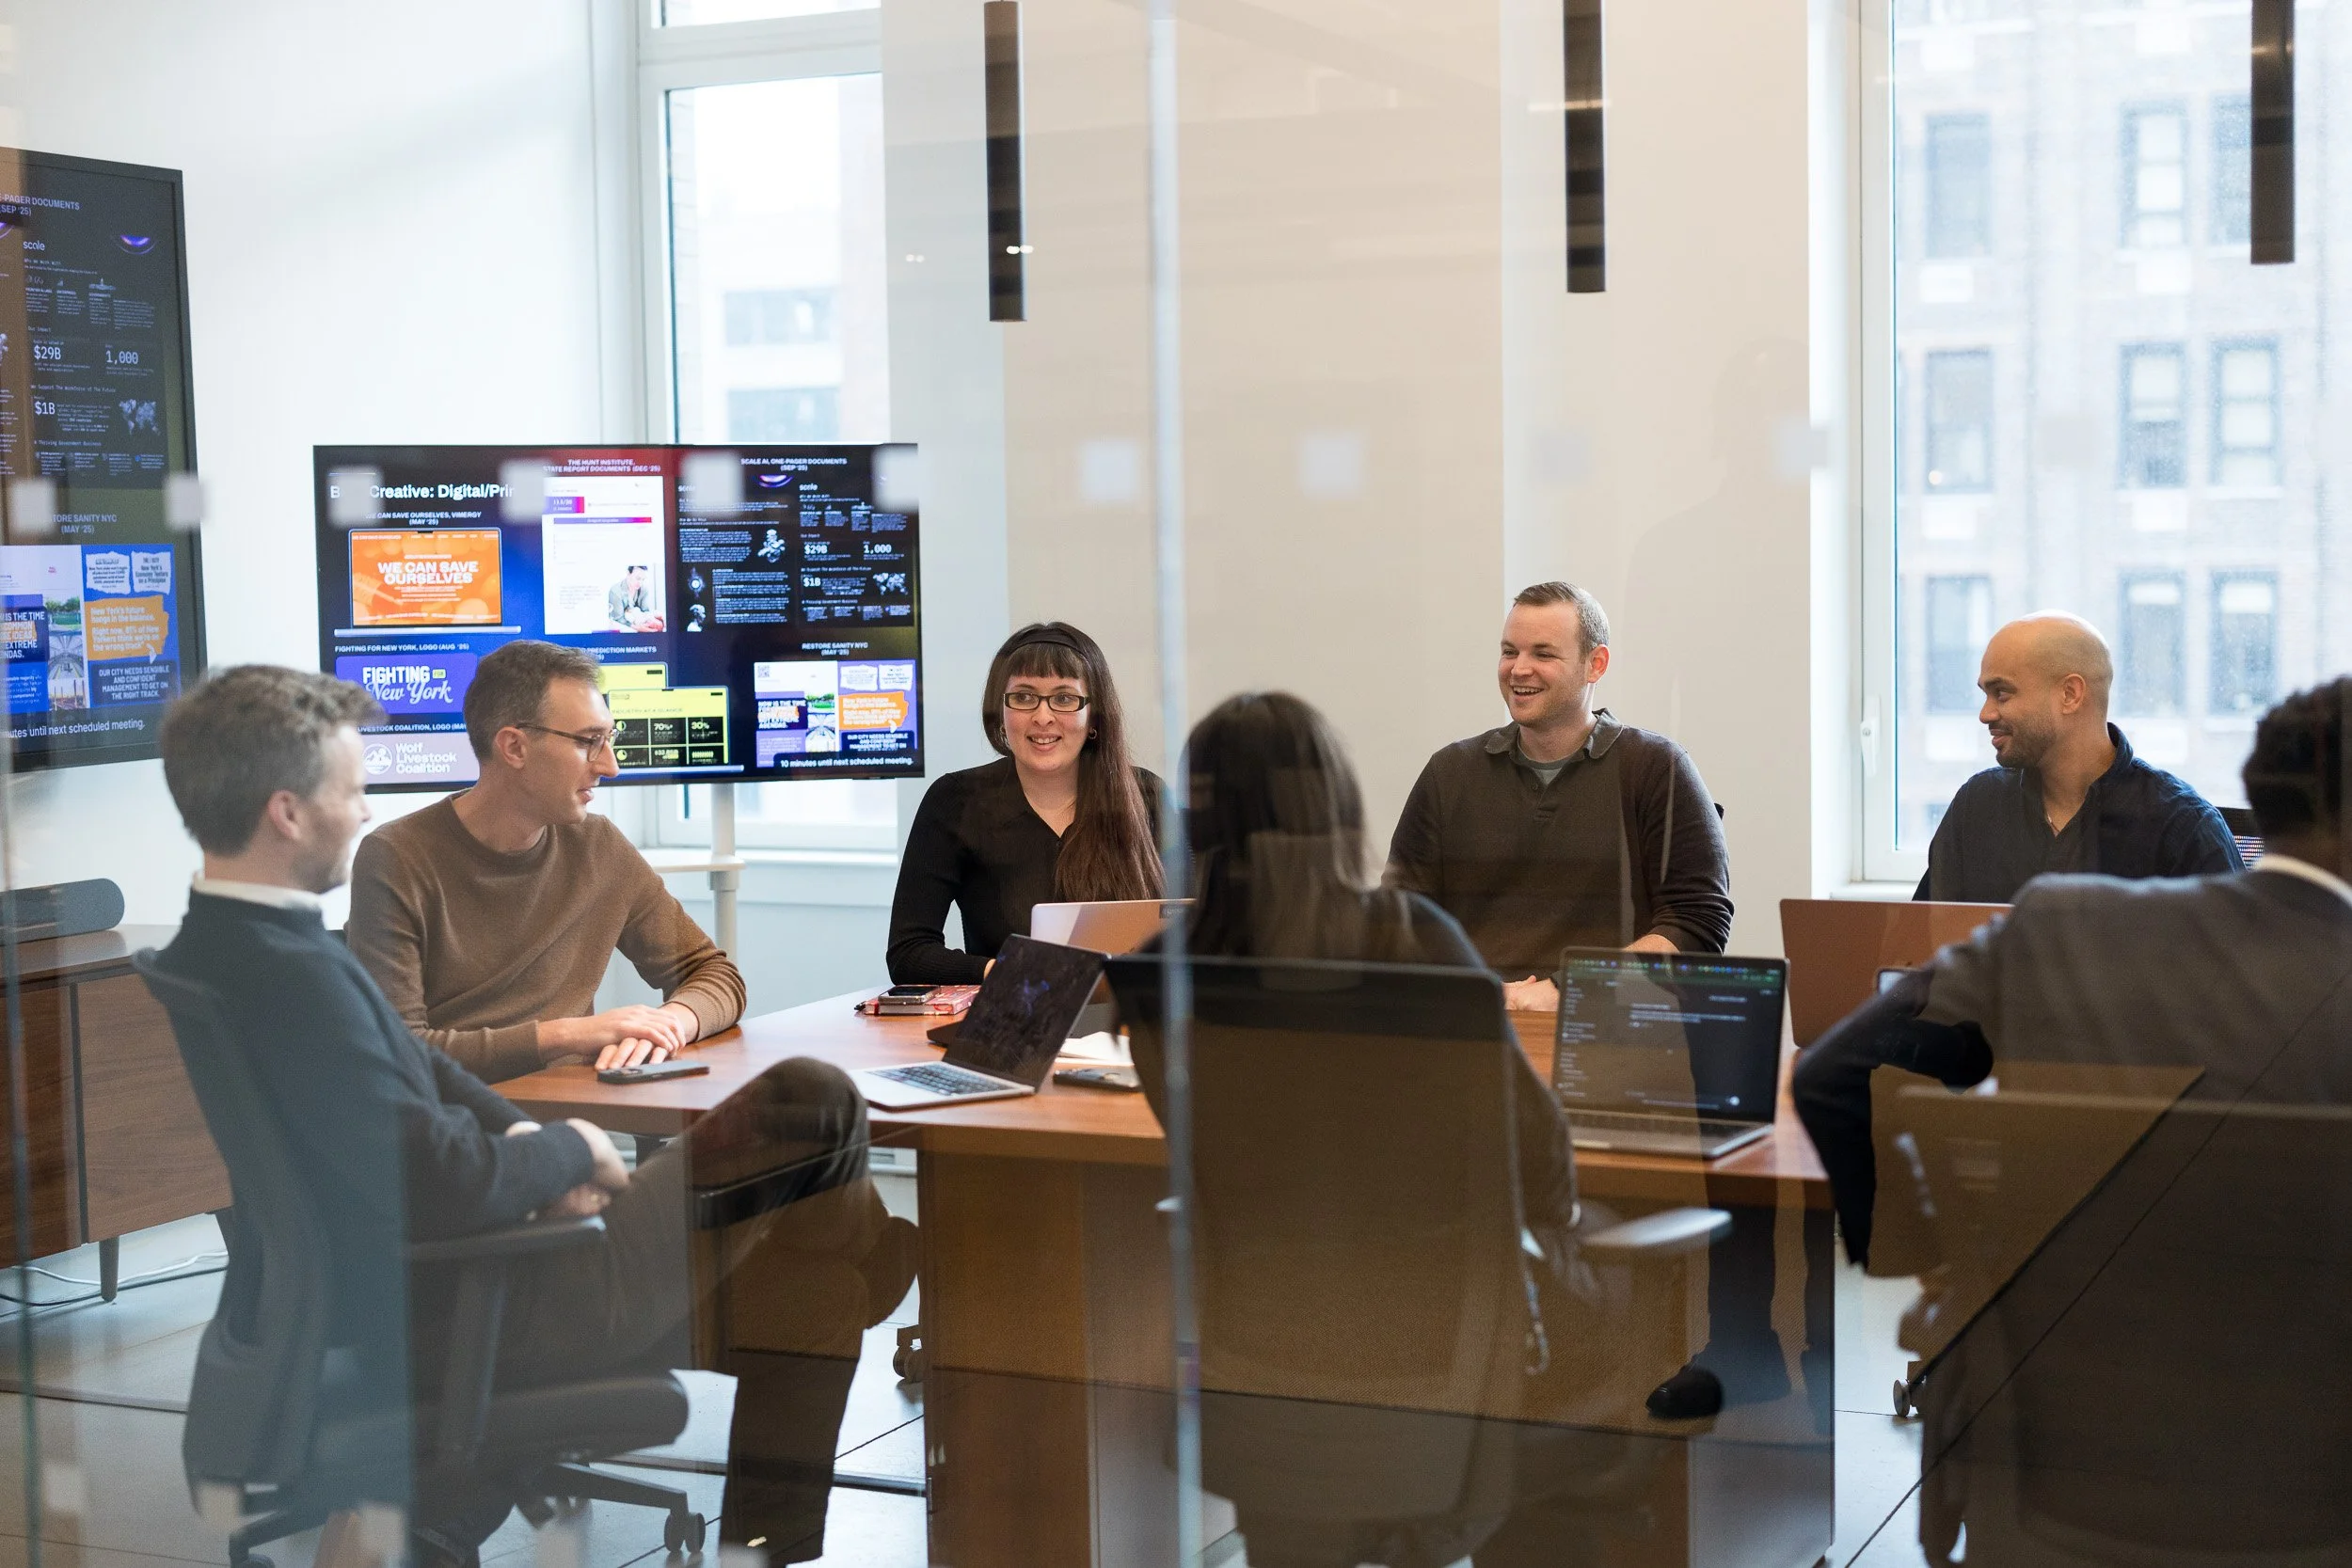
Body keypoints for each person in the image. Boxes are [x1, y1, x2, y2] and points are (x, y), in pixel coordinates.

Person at [151, 666, 904, 1562]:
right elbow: (436, 1171)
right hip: (501, 1292)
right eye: (350, 792)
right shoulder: (296, 973)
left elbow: (417, 1075)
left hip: (450, 1279)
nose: (361, 813)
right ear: (286, 810)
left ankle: (763, 1545)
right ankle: (873, 1238)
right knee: (810, 1095)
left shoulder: (239, 945)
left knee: (816, 1295)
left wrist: (520, 1136)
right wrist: (568, 1147)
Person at [1793, 679, 2352, 1560]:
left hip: (2041, 1481)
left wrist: (1931, 1258)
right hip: (2309, 1504)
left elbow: (1830, 1076)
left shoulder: (2056, 926)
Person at [348, 641, 745, 1084]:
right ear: (514, 747)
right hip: (459, 1133)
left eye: (608, 739)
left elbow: (712, 972)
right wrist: (568, 1035)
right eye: (589, 742)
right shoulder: (395, 856)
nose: (610, 766)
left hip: (576, 1119)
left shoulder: (599, 846)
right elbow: (397, 1049)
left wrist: (670, 1024)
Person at [1386, 580, 1732, 1013]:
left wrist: (1569, 989)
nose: (1518, 669)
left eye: (1543, 654)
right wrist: (1475, 993)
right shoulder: (1449, 772)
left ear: (1596, 664)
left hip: (1611, 1034)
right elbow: (1400, 918)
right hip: (1475, 1030)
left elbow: (1698, 923)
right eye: (1510, 651)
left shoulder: (1659, 769)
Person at [887, 622, 1162, 983]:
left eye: (1064, 698)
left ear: (1093, 716)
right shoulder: (955, 801)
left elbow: (1193, 937)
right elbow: (909, 953)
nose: (1043, 717)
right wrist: (1004, 972)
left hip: (1131, 1028)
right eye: (1024, 697)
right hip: (1013, 1022)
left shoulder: (1148, 797)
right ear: (1000, 711)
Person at [1917, 611, 2242, 902]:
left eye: (2002, 693)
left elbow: (2239, 964)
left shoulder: (2183, 827)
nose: (1986, 714)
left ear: (2069, 695)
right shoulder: (1978, 807)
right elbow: (1920, 947)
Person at [607, 564, 659, 630]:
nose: (640, 583)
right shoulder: (615, 591)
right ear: (628, 574)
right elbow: (618, 619)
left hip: (639, 623)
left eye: (643, 579)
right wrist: (639, 628)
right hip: (623, 628)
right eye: (638, 578)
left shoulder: (644, 589)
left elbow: (645, 610)